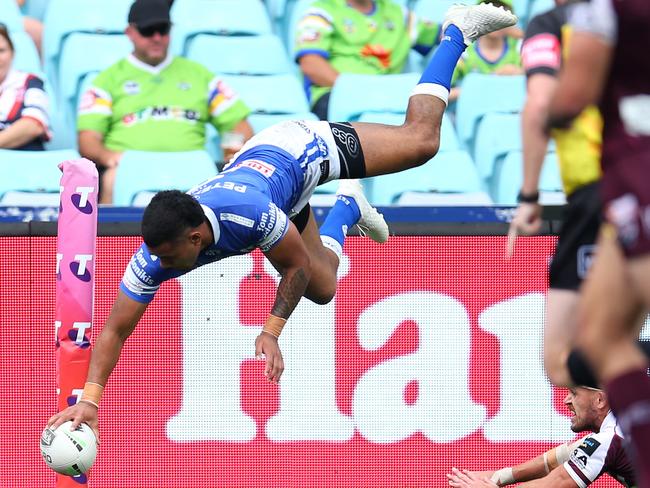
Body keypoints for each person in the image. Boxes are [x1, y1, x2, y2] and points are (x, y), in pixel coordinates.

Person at [47, 2, 517, 441]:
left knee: (420, 142)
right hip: (273, 186)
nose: (160, 264)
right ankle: (348, 206)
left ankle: (456, 32)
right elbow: (114, 329)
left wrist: (271, 333)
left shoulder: (249, 216)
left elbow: (293, 267)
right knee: (325, 289)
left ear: (195, 238)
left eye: (169, 257)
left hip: (299, 149)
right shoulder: (157, 251)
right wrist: (91, 399)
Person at [545, 0, 650, 484]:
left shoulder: (603, 9)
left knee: (600, 340)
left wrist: (543, 113)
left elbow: (571, 98)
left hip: (635, 176)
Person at [506, 0, 602, 388]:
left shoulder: (552, 25)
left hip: (602, 194)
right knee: (615, 342)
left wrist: (529, 195)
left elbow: (540, 104)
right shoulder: (632, 21)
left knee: (560, 361)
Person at [77, 0, 254, 204]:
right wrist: (108, 156)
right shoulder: (106, 80)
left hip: (192, 168)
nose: (157, 38)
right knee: (111, 179)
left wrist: (233, 149)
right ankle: (109, 237)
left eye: (163, 30)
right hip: (131, 170)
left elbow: (239, 124)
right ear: (130, 32)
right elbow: (88, 139)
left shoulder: (200, 75)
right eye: (148, 31)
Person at [446, 387, 635, 487]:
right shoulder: (623, 425)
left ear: (600, 400)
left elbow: (554, 484)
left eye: (574, 393)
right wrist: (496, 478)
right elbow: (555, 459)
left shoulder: (610, 438)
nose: (566, 400)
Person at [295, 0, 441, 120]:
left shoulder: (399, 15)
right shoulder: (320, 12)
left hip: (388, 98)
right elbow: (311, 64)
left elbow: (450, 35)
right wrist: (363, 90)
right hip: (337, 97)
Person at [449, 0, 522, 103]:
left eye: (503, 11)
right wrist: (473, 89)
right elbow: (438, 91)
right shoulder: (463, 51)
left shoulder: (519, 47)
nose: (496, 17)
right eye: (489, 10)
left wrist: (520, 74)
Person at [0, 24, 50, 150]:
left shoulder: (31, 82)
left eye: (1, 51)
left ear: (12, 53)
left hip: (24, 160)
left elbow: (34, 125)